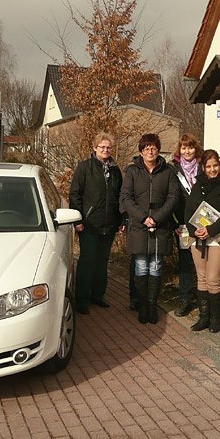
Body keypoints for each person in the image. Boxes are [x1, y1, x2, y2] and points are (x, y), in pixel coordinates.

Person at [120, 133, 180, 324]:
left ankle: (152, 305)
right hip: (139, 226)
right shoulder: (132, 171)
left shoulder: (168, 171)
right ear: (141, 151)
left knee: (155, 266)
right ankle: (143, 305)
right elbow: (126, 198)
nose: (150, 151)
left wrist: (157, 217)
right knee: (140, 266)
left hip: (160, 226)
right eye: (146, 148)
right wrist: (143, 217)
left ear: (158, 150)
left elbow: (173, 197)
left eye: (153, 148)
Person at [69, 133, 123, 315]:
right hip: (89, 224)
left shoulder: (115, 170)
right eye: (102, 147)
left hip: (109, 224)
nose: (105, 150)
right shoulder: (85, 167)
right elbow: (75, 194)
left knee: (102, 262)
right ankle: (82, 300)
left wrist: (121, 220)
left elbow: (120, 196)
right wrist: (78, 220)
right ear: (95, 147)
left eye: (108, 147)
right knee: (87, 262)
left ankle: (98, 295)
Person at [184, 149, 220, 333]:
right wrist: (194, 231)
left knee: (213, 278)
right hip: (198, 237)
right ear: (203, 168)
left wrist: (211, 230)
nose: (212, 169)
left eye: (215, 165)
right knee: (202, 278)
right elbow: (188, 211)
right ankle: (203, 317)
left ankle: (215, 319)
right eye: (208, 166)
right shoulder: (198, 185)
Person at [170, 133, 203, 317]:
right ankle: (185, 298)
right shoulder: (173, 170)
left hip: (203, 222)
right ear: (179, 150)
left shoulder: (203, 167)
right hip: (182, 223)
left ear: (195, 149)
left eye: (190, 147)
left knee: (204, 260)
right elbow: (170, 198)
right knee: (185, 262)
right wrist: (175, 222)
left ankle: (204, 298)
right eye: (184, 148)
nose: (187, 151)